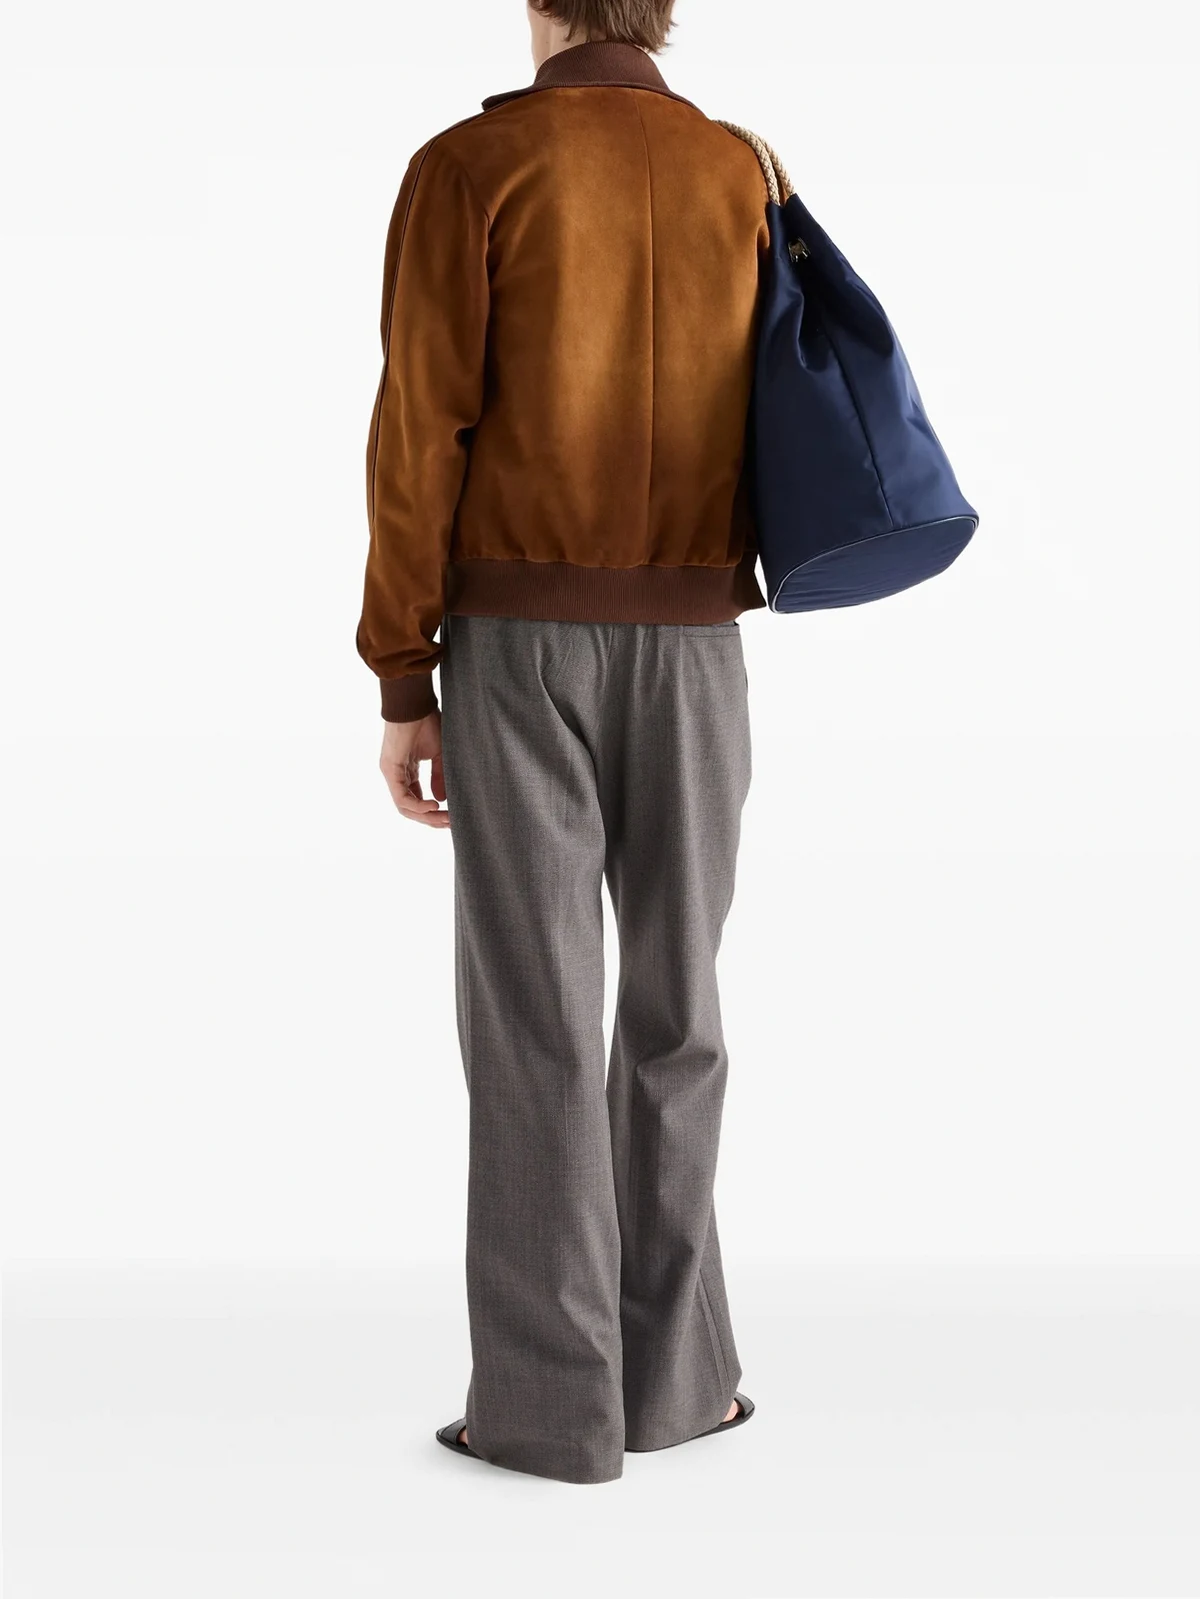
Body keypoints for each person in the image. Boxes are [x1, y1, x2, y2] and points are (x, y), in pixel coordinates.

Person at [356, 0, 770, 1485]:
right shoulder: (740, 168)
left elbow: (419, 434)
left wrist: (403, 671)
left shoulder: (472, 167)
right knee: (678, 1009)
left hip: (520, 641)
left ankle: (547, 1409)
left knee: (535, 1015)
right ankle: (680, 1388)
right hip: (700, 643)